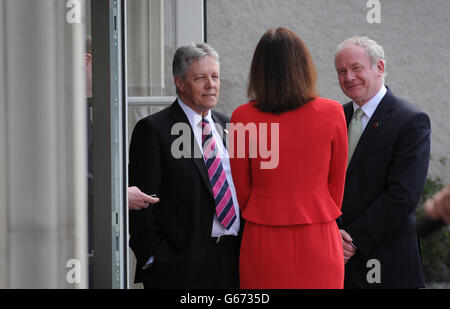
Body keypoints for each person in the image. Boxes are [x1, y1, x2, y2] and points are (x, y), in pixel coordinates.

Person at [230, 28, 348, 288]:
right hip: (319, 233)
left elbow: (242, 190)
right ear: (303, 66)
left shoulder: (241, 117)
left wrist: (268, 205)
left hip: (263, 234)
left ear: (259, 69)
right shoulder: (334, 112)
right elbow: (336, 186)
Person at [128, 43, 241, 288]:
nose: (211, 84)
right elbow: (141, 205)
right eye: (201, 78)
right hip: (178, 269)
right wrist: (154, 258)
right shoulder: (153, 130)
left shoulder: (231, 126)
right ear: (179, 82)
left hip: (232, 263)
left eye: (215, 76)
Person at [334, 36, 431, 288]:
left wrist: (352, 240)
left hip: (387, 263)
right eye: (341, 71)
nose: (348, 77)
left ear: (380, 68)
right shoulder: (335, 117)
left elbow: (402, 195)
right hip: (338, 263)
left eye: (356, 68)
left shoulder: (410, 121)